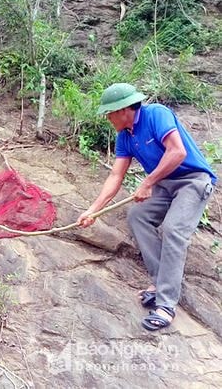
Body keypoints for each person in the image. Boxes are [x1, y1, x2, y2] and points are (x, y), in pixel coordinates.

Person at [77, 83, 216, 331]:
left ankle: (165, 305)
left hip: (193, 181)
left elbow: (177, 152)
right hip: (164, 184)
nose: (107, 118)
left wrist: (148, 182)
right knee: (138, 216)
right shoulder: (125, 136)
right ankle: (161, 281)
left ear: (123, 110)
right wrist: (93, 210)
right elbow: (116, 176)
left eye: (109, 113)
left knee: (174, 230)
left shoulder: (156, 114)